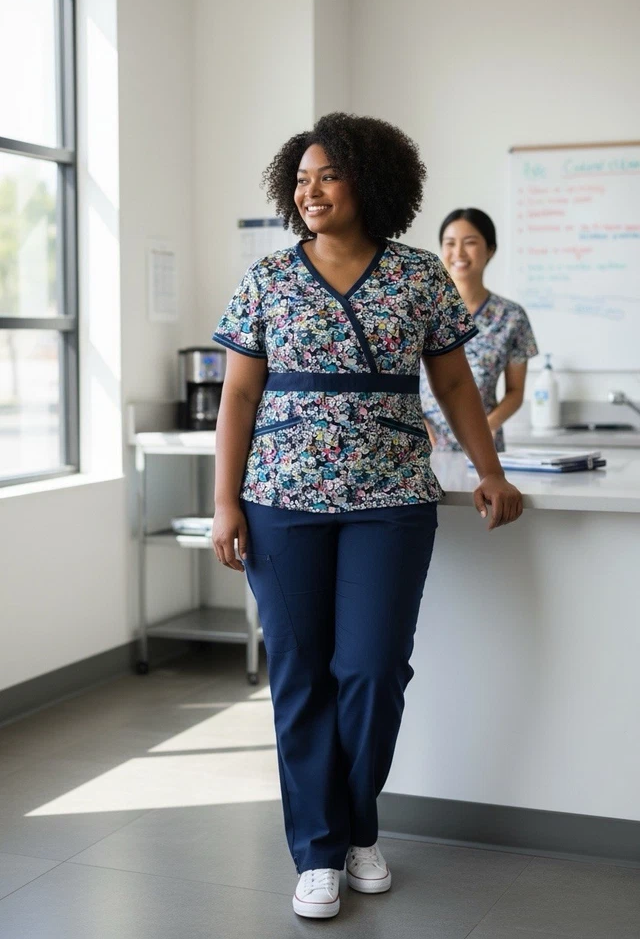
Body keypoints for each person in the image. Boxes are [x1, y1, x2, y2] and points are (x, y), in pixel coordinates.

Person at [211, 113, 523, 920]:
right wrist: (222, 504)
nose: (311, 191)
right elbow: (238, 393)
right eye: (302, 179)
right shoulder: (268, 279)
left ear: (369, 183)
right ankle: (320, 852)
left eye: (329, 176)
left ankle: (357, 828)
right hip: (281, 499)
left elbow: (455, 386)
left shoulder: (419, 277)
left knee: (373, 670)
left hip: (390, 499)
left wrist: (489, 471)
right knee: (300, 674)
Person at [420, 208, 538, 451]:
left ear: (490, 250)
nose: (459, 253)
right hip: (425, 448)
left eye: (470, 243)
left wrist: (485, 427)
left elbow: (515, 392)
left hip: (484, 448)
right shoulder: (422, 309)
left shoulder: (512, 317)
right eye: (450, 243)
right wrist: (417, 424)